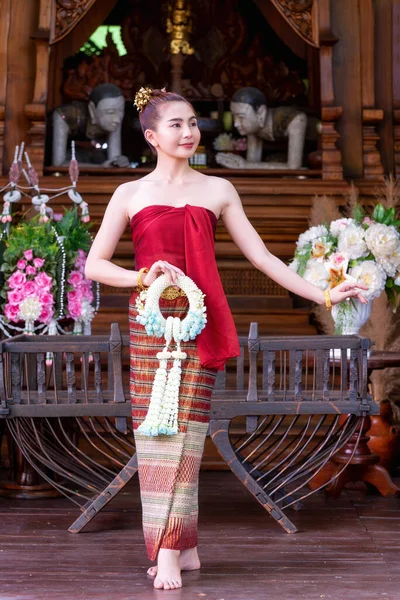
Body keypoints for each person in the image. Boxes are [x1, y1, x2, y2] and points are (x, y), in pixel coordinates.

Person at [84, 87, 367, 591]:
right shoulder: (130, 193)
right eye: (176, 124)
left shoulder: (218, 190)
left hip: (201, 322)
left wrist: (325, 295)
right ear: (151, 136)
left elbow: (264, 259)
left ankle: (168, 549)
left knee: (186, 434)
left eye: (193, 122)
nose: (189, 132)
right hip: (151, 325)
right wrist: (142, 276)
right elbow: (95, 264)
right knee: (155, 434)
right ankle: (184, 546)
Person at [215, 86, 307, 170]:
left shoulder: (296, 120)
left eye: (241, 117)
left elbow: (294, 167)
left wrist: (244, 165)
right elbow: (253, 166)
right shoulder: (254, 128)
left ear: (261, 113)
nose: (236, 124)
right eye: (234, 116)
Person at [52, 83, 130, 167]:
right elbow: (58, 163)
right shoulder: (65, 116)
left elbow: (114, 159)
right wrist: (101, 168)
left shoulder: (115, 118)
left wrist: (118, 162)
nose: (117, 119)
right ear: (92, 110)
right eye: (110, 112)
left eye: (121, 111)